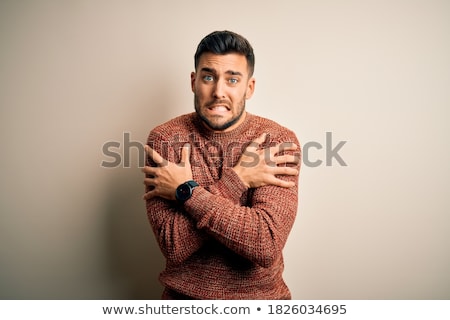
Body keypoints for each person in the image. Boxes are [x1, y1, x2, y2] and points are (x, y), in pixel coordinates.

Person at [142, 30, 301, 300]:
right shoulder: (166, 139)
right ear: (193, 82)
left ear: (249, 87)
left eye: (232, 79)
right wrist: (238, 178)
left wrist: (186, 192)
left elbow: (264, 244)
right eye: (208, 77)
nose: (218, 92)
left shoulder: (276, 141)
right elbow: (174, 244)